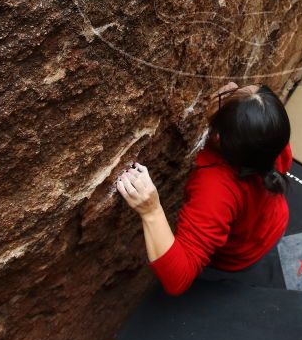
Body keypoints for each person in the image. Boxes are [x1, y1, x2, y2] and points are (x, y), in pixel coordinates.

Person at [116, 83, 292, 295]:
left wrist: (151, 211)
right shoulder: (268, 133)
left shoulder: (216, 189)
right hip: (274, 223)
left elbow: (178, 279)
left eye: (231, 95)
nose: (231, 87)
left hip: (238, 259)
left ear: (219, 137)